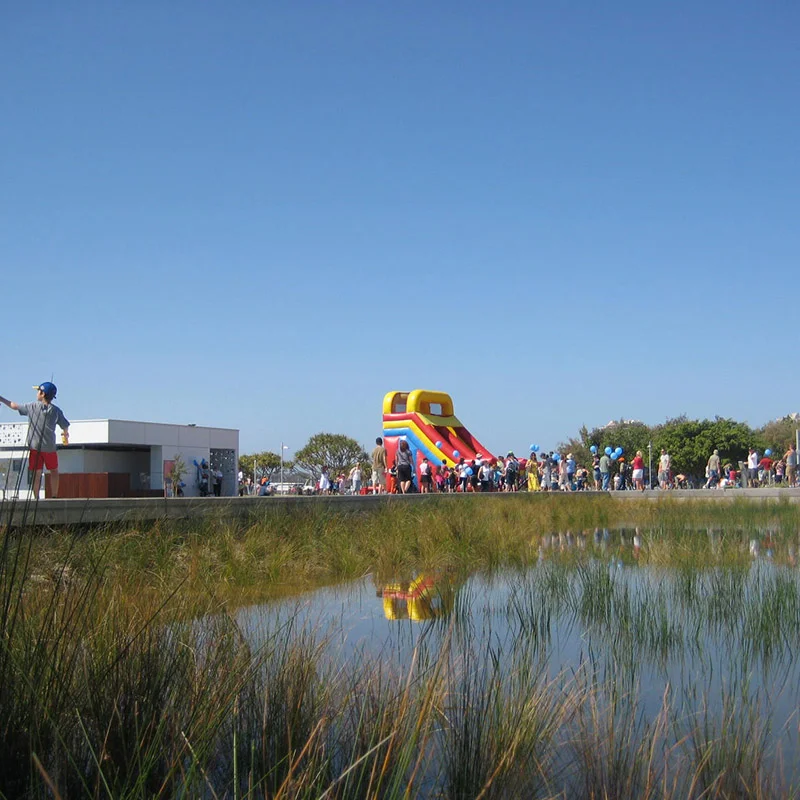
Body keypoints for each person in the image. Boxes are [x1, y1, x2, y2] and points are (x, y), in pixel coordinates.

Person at [2, 382, 70, 498]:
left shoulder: (32, 406)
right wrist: (65, 433)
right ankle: (54, 496)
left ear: (42, 394)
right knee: (54, 471)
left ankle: (36, 497)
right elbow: (65, 425)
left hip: (35, 448)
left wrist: (2, 399)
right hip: (49, 448)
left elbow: (14, 406)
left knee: (37, 474)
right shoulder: (56, 411)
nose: (37, 393)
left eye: (38, 391)